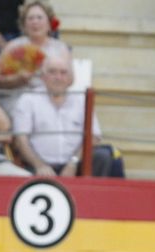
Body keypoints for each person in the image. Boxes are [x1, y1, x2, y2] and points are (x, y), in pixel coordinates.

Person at [13, 44, 125, 178]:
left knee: (103, 156)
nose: (58, 77)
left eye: (63, 72)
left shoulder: (82, 100)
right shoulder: (28, 99)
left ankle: (94, 197)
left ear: (71, 79)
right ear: (42, 76)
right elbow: (21, 139)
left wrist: (73, 163)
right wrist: (39, 165)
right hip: (39, 166)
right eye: (52, 72)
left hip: (77, 164)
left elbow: (94, 137)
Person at [0, 1, 57, 92]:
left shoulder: (60, 48)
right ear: (23, 24)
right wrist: (16, 79)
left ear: (49, 23)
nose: (35, 22)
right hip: (16, 99)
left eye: (39, 17)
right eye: (30, 18)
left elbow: (69, 79)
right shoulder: (12, 47)